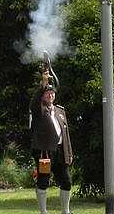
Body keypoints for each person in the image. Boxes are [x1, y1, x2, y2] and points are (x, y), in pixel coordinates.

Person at [29, 64, 73, 214]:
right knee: (43, 181)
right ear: (42, 96)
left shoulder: (61, 111)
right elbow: (35, 101)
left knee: (67, 182)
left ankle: (65, 211)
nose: (50, 95)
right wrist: (43, 83)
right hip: (45, 153)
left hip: (61, 152)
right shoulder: (38, 109)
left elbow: (65, 135)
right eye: (47, 93)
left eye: (52, 93)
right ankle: (43, 211)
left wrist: (69, 153)